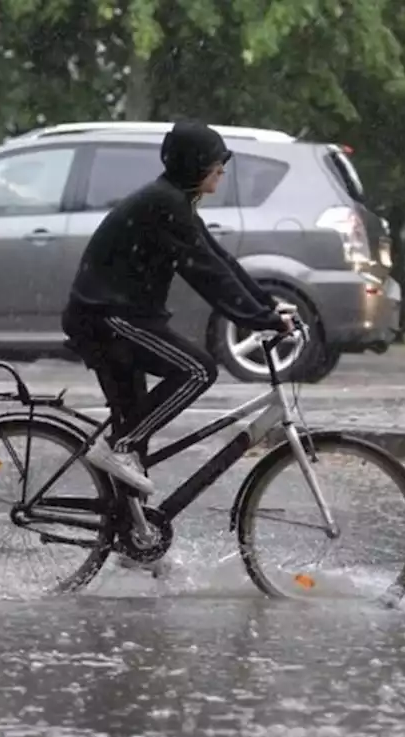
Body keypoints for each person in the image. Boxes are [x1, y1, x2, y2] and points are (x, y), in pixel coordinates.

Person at [61, 120, 295, 497]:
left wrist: (268, 307)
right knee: (197, 370)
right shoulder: (165, 203)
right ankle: (118, 449)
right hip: (108, 318)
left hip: (116, 316)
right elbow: (207, 275)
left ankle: (134, 542)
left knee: (134, 433)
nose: (222, 169)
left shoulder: (174, 199)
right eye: (216, 162)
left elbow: (220, 261)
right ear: (194, 164)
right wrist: (260, 320)